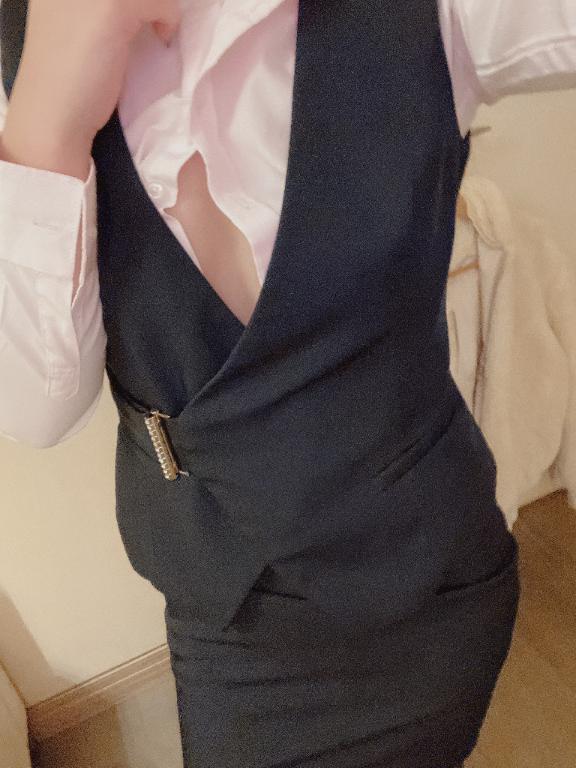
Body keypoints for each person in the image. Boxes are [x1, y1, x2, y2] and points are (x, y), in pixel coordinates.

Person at [1, 1, 575, 766]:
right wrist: (45, 124)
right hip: (224, 602)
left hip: (425, 580)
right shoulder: (20, 44)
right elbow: (37, 411)